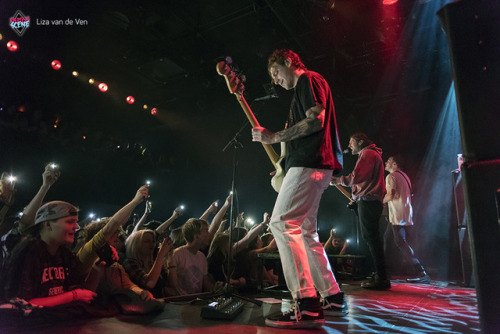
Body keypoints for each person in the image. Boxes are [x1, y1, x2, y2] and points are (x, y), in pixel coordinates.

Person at [251, 49, 346, 329]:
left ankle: (306, 303)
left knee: (282, 224)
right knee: (306, 231)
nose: (275, 80)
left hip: (310, 162)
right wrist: (284, 162)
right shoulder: (306, 87)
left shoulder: (308, 79)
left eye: (275, 72)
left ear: (289, 62)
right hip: (315, 164)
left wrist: (274, 136)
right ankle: (333, 296)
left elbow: (315, 120)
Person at [330, 132, 390, 290]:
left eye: (351, 142)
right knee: (372, 238)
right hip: (369, 201)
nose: (349, 146)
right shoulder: (371, 154)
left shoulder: (367, 154)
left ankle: (382, 278)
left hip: (368, 201)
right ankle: (380, 276)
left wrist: (337, 180)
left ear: (361, 141)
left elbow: (357, 177)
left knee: (371, 239)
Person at [383, 155, 430, 283]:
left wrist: (380, 201)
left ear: (394, 164)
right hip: (404, 213)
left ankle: (420, 271)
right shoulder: (405, 176)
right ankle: (383, 272)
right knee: (387, 240)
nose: (385, 163)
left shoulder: (391, 176)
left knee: (400, 242)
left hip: (397, 215)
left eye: (388, 161)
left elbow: (391, 195)